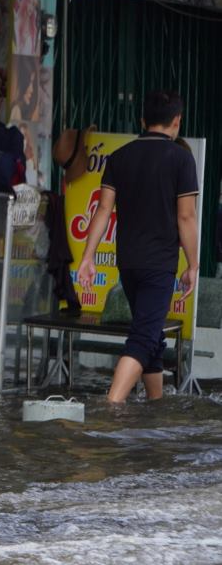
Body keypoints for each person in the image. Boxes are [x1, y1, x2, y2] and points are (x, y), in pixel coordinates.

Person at [77, 90, 199, 403]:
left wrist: (88, 257)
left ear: (142, 121)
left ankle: (155, 406)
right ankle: (112, 405)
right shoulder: (181, 159)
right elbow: (186, 216)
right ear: (176, 122)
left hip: (128, 262)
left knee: (152, 335)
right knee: (144, 336)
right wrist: (194, 265)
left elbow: (103, 210)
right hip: (158, 263)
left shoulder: (119, 156)